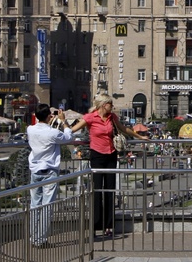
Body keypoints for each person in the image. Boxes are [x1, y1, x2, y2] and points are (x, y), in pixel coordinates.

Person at [70, 95, 148, 237]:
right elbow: (72, 130)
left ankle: (108, 226)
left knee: (110, 191)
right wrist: (62, 125)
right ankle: (94, 226)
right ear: (102, 105)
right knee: (97, 191)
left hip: (111, 155)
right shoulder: (90, 117)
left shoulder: (112, 117)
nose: (112, 106)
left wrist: (140, 137)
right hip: (97, 156)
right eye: (110, 104)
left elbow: (124, 129)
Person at [27, 104, 75, 248]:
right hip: (49, 171)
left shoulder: (30, 129)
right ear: (49, 116)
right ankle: (41, 240)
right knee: (47, 206)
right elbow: (69, 137)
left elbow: (39, 127)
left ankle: (33, 237)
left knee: (35, 204)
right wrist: (63, 121)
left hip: (35, 170)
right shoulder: (52, 133)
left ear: (35, 116)